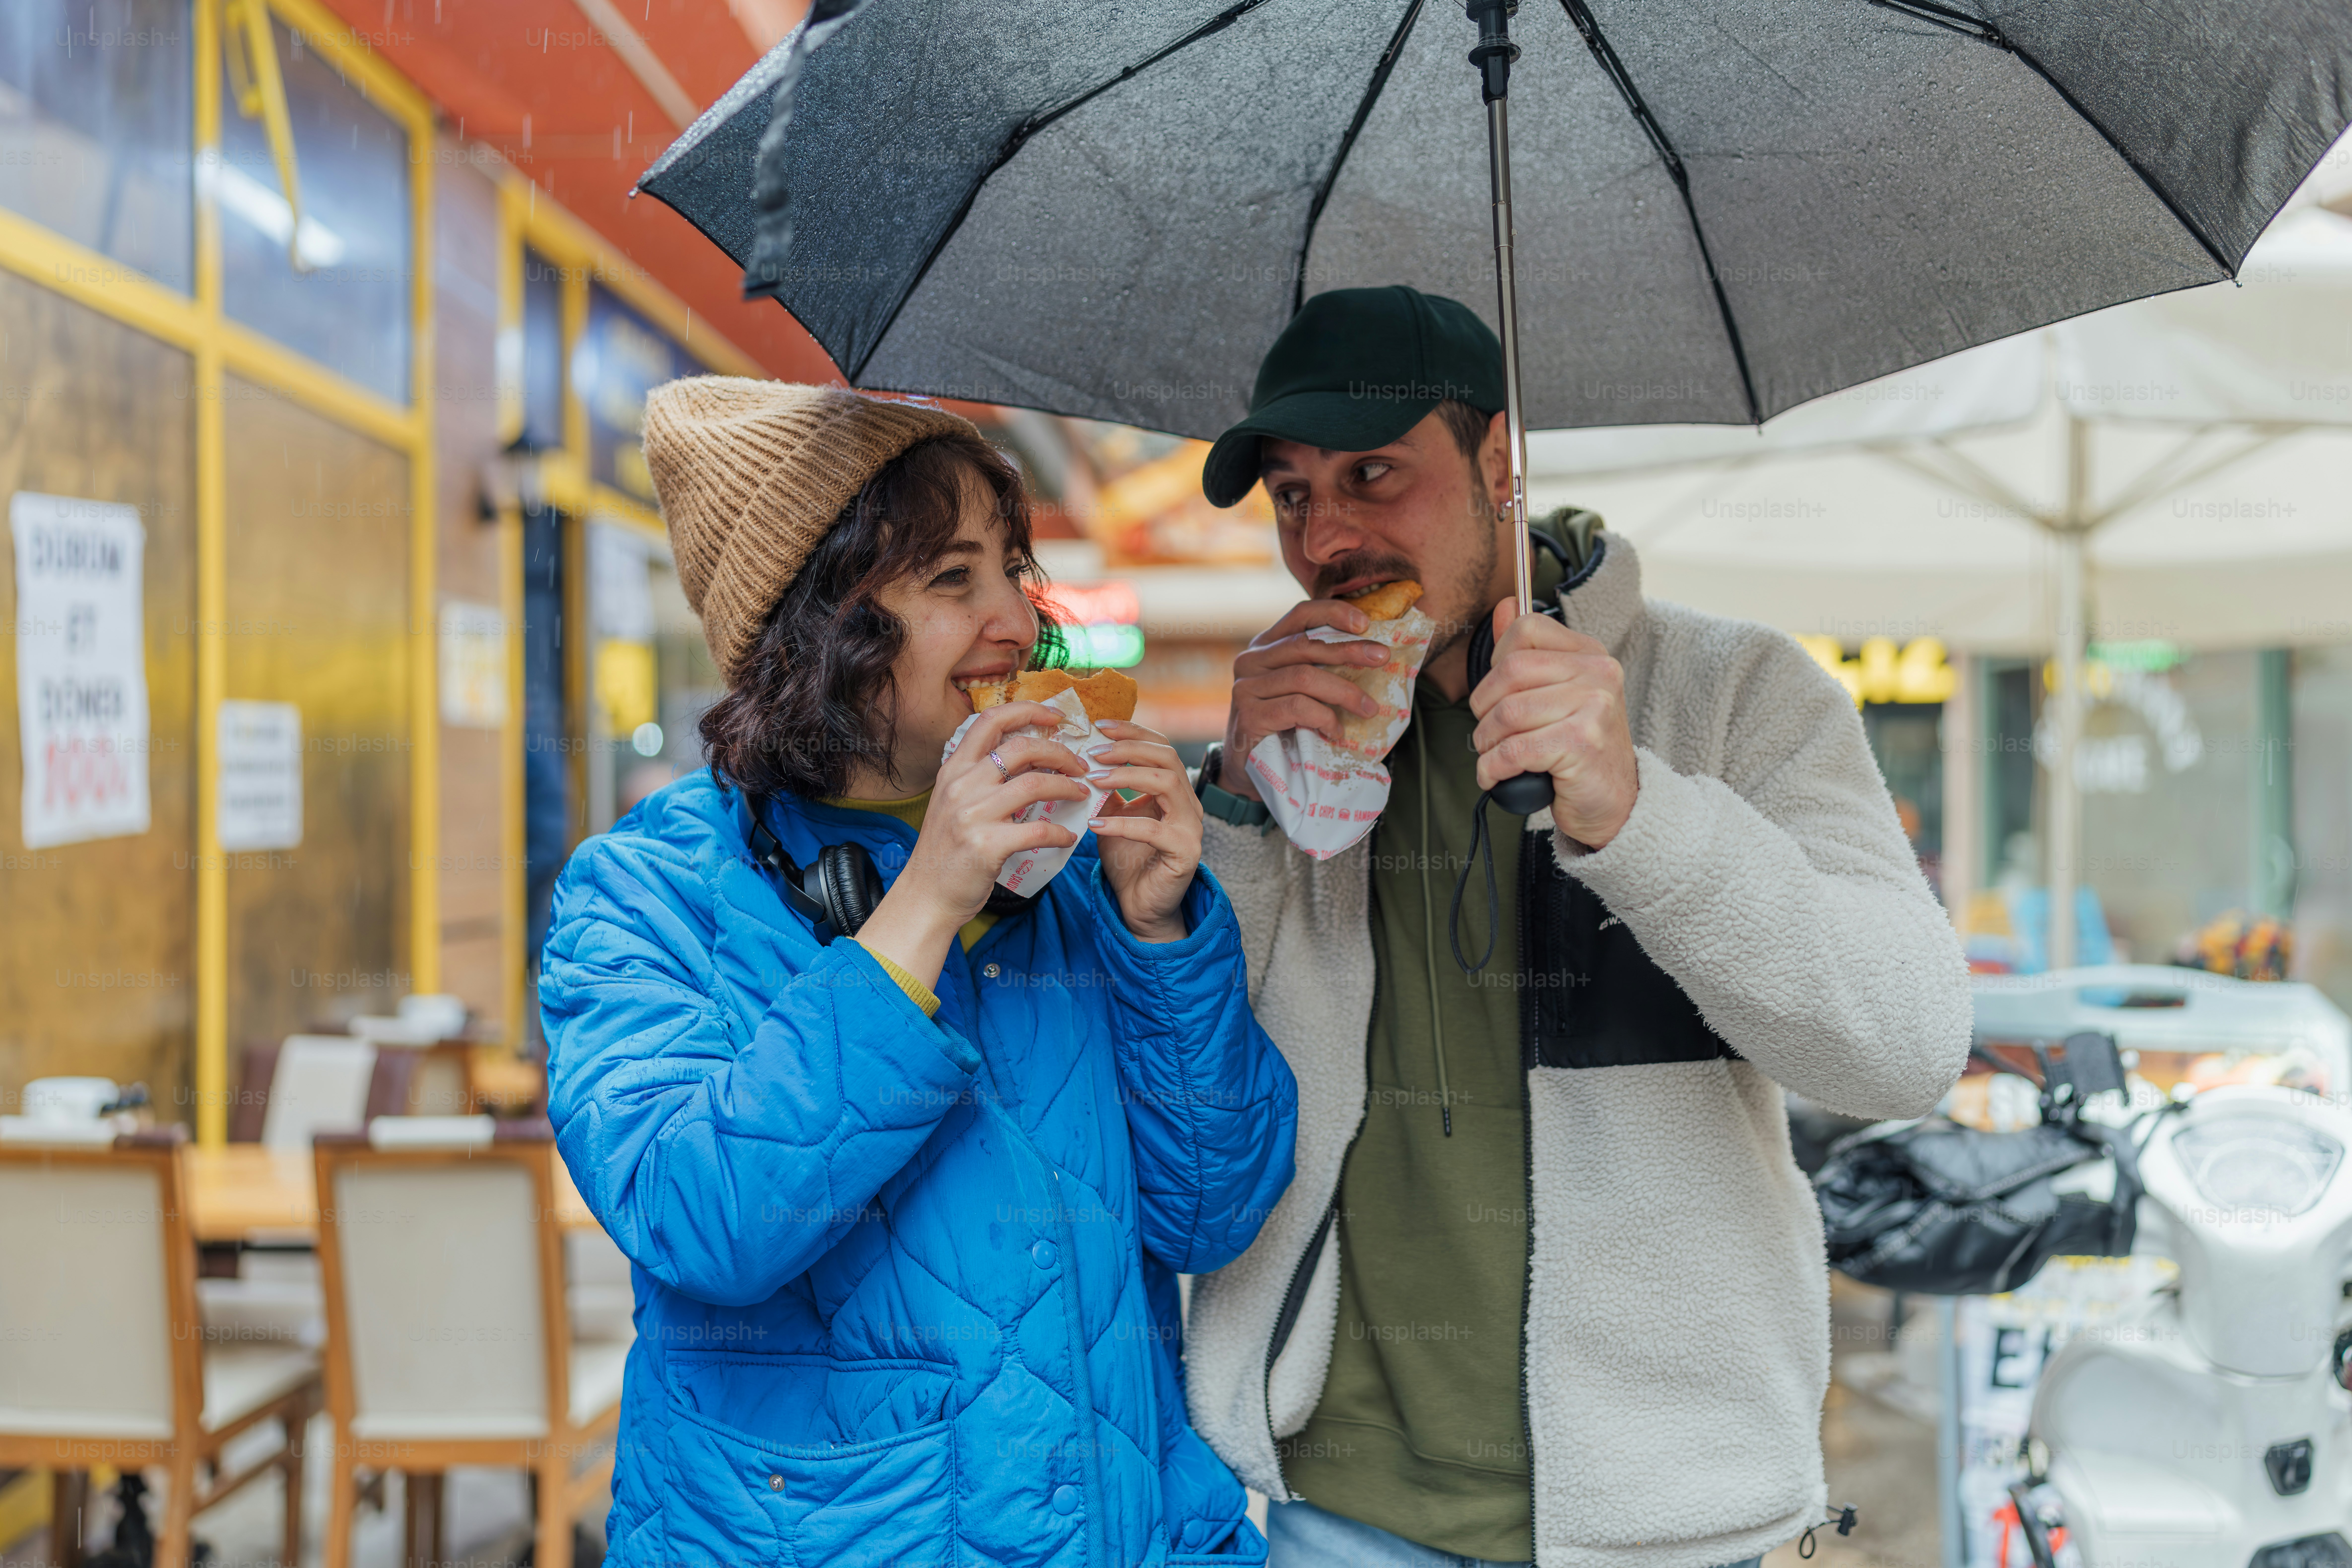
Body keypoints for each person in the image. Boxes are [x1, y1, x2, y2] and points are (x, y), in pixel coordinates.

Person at [1178, 287, 1973, 1568]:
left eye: (1372, 476)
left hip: (1666, 1522)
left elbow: (1907, 1044)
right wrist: (1235, 813)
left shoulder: (1730, 693)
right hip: (1329, 1502)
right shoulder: (1288, 748)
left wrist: (1639, 815)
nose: (1325, 537)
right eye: (1290, 496)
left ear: (1499, 460)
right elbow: (1202, 1113)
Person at [540, 380, 1299, 1568]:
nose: (1017, 619)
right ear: (816, 630)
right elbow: (708, 1220)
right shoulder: (644, 893)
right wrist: (927, 903)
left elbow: (1212, 1212)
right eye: (953, 580)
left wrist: (1161, 933)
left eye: (1011, 566)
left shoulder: (1076, 867)